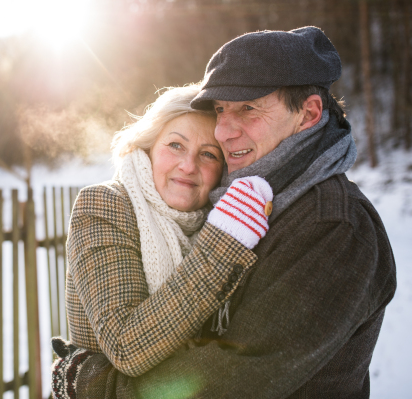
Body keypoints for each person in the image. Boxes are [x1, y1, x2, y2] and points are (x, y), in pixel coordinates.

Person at [53, 27, 397, 398]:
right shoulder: (247, 204)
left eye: (248, 108)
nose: (225, 131)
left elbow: (232, 378)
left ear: (309, 113)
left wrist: (91, 385)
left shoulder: (332, 225)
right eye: (220, 110)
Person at [51, 84, 275, 398]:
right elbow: (126, 346)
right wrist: (223, 244)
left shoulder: (223, 218)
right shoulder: (104, 205)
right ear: (149, 147)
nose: (188, 166)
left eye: (208, 154)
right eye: (175, 145)